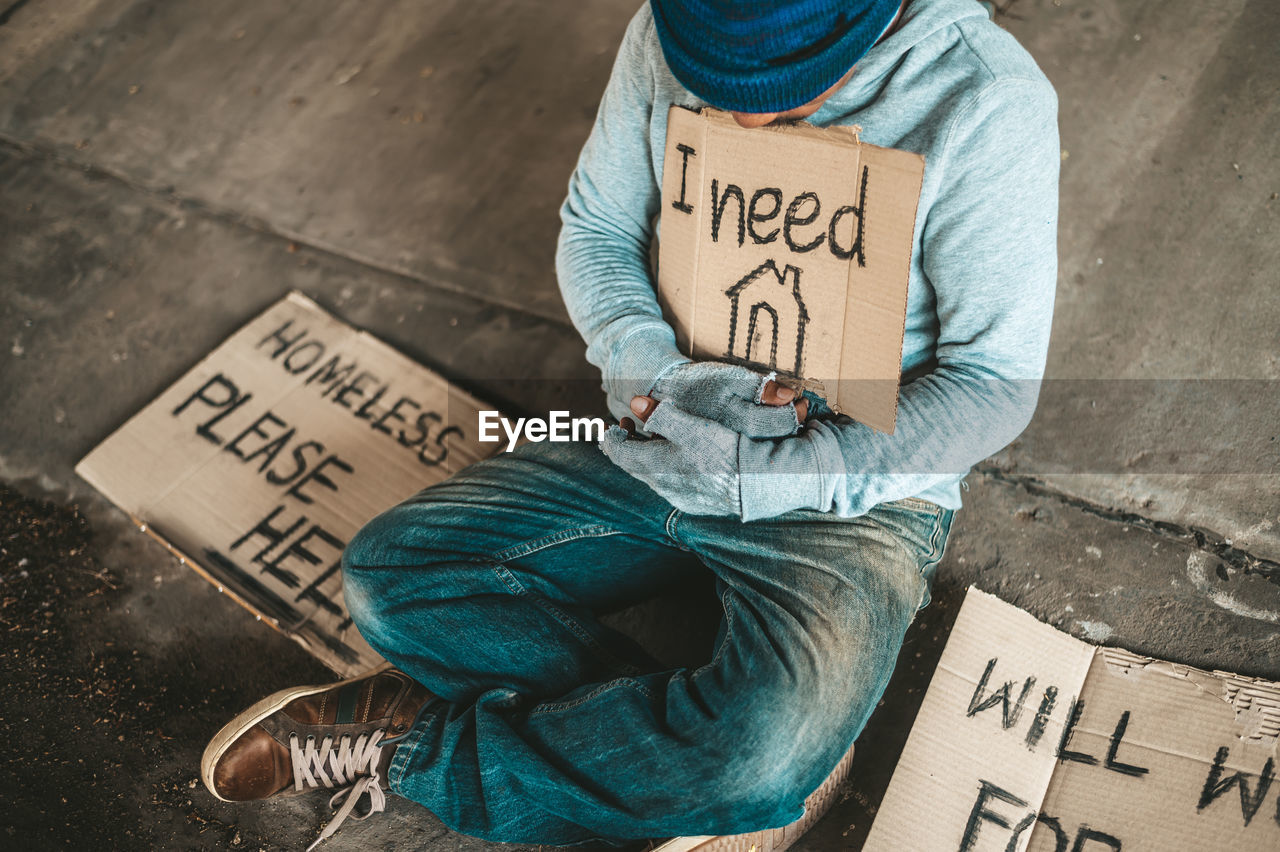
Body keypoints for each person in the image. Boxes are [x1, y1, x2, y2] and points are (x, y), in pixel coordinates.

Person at [200, 0, 1059, 848]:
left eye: (785, 94)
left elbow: (994, 382)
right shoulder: (661, 31)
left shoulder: (984, 100)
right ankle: (679, 767)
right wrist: (656, 378)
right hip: (669, 431)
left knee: (756, 761)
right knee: (392, 575)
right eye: (713, 87)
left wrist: (803, 466)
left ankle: (410, 741)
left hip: (852, 492)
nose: (743, 118)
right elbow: (598, 227)